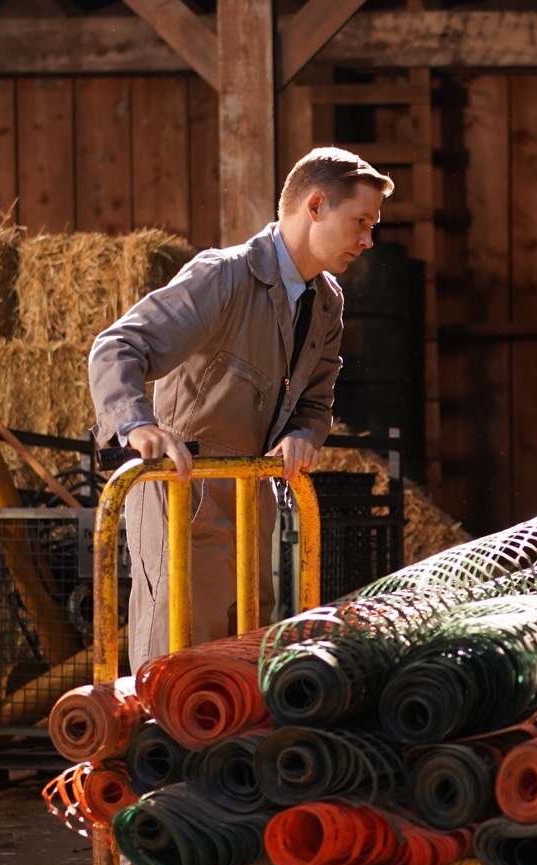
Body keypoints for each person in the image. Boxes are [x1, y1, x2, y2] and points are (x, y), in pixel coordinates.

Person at [89, 147, 393, 666]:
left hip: (255, 491)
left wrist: (304, 434)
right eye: (360, 222)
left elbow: (317, 399)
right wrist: (136, 425)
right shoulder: (224, 276)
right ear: (315, 206)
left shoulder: (326, 302)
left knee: (245, 653)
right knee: (178, 655)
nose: (368, 240)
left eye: (372, 226)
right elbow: (117, 347)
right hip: (184, 489)